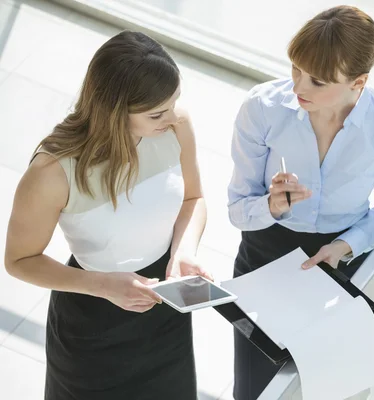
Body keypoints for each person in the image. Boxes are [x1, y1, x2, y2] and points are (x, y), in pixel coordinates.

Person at [4, 30, 212, 400]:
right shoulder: (53, 171)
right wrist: (102, 285)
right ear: (114, 109)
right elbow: (19, 260)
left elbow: (193, 199)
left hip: (165, 307)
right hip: (91, 324)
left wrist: (183, 251)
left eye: (174, 101)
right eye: (156, 113)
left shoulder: (176, 125)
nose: (172, 115)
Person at [227, 5, 374, 400]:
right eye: (295, 69)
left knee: (339, 387)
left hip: (345, 262)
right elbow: (237, 209)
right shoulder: (261, 108)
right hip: (265, 257)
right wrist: (272, 206)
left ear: (359, 82)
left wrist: (346, 246)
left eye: (317, 81)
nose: (299, 87)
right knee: (255, 390)